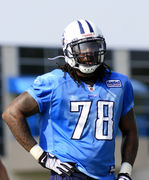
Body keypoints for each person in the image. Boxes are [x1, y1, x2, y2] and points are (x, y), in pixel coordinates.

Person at [2, 19, 138, 180]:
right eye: (82, 48)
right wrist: (41, 156)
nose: (88, 53)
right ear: (68, 51)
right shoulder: (53, 82)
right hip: (68, 172)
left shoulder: (119, 83)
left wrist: (125, 171)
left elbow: (130, 131)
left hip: (106, 175)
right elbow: (11, 114)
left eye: (93, 46)